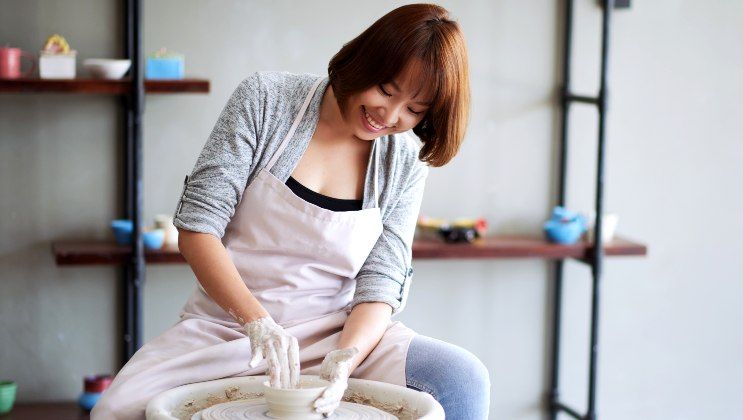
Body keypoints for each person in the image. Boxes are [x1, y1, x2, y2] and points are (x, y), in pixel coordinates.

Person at [91, 3, 490, 419]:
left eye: (414, 110)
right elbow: (198, 228)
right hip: (230, 326)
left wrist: (346, 359)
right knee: (117, 410)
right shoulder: (267, 100)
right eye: (386, 91)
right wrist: (258, 325)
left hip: (338, 333)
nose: (388, 116)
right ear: (364, 61)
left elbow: (381, 284)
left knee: (460, 378)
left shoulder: (404, 161)